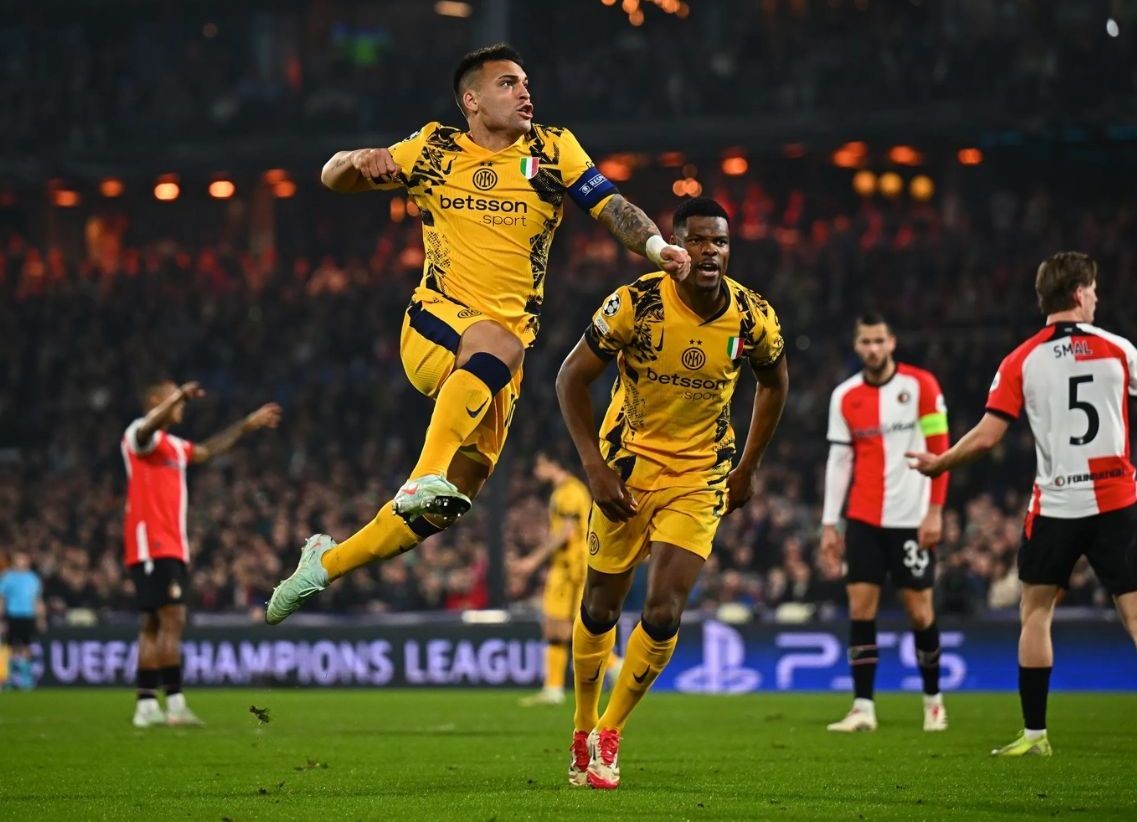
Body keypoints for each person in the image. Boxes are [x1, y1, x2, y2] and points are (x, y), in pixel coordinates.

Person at [266, 43, 690, 623]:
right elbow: (332, 177)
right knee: (496, 349)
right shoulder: (433, 148)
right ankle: (421, 475)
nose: (525, 93)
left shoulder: (553, 149)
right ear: (472, 100)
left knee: (454, 498)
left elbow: (611, 205)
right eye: (508, 83)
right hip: (437, 323)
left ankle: (324, 566)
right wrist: (357, 157)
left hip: (497, 359)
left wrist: (657, 247)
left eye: (526, 82)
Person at [556, 197, 788, 789]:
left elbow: (774, 382)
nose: (710, 252)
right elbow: (570, 377)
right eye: (699, 240)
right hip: (627, 466)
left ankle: (609, 733)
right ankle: (581, 725)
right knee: (600, 608)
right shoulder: (636, 303)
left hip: (699, 475)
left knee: (663, 611)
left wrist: (748, 466)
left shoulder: (752, 317)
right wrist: (594, 468)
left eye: (721, 242)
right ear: (676, 246)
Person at [909, 252, 1137, 757]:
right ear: (1078, 293)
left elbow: (987, 437)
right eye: (1093, 289)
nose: (1097, 297)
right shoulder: (1120, 350)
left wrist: (940, 463)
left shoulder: (1022, 359)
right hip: (1117, 502)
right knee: (1135, 614)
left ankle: (1035, 736)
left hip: (1056, 505)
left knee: (1035, 612)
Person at [820, 313, 951, 733]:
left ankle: (933, 703)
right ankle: (863, 707)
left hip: (912, 518)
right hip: (863, 519)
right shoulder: (844, 396)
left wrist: (935, 511)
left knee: (920, 612)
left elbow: (941, 451)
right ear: (856, 345)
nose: (873, 348)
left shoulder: (922, 386)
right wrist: (829, 524)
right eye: (866, 341)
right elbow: (839, 461)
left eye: (879, 340)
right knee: (861, 609)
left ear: (892, 342)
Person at [123, 380, 280, 727]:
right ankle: (174, 703)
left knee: (154, 623)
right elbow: (147, 428)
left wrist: (246, 425)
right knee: (172, 620)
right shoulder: (138, 435)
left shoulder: (174, 446)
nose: (181, 405)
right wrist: (180, 395)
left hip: (170, 546)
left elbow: (207, 451)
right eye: (174, 398)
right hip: (153, 545)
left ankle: (146, 705)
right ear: (155, 400)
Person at [515, 452, 622, 707]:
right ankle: (553, 688)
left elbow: (567, 532)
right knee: (555, 627)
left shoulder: (570, 492)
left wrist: (533, 560)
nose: (536, 472)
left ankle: (616, 666)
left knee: (574, 628)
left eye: (539, 465)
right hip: (562, 569)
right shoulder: (562, 491)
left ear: (553, 464)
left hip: (573, 571)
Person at [0, 551, 46, 690]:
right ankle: (7, 679)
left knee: (27, 646)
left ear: (27, 560)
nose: (20, 561)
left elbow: (37, 600)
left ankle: (26, 679)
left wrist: (41, 618)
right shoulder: (7, 577)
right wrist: (1, 618)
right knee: (9, 647)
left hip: (28, 616)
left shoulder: (33, 578)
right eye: (18, 559)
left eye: (23, 559)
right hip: (12, 615)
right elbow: (2, 599)